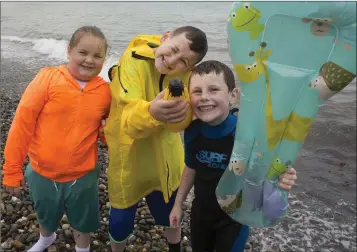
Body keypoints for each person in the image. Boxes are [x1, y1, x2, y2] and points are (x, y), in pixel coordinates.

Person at [2, 26, 111, 252]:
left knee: (83, 218)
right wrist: (12, 169)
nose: (90, 60)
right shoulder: (48, 78)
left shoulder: (106, 92)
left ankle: (83, 248)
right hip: (42, 170)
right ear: (69, 51)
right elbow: (22, 124)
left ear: (104, 59)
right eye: (83, 52)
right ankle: (46, 238)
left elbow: (108, 137)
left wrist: (107, 133)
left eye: (97, 56)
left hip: (82, 174)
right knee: (45, 210)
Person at [169, 60, 298, 252]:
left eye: (214, 90)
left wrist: (284, 178)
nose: (204, 97)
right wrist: (178, 204)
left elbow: (268, 171)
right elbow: (191, 167)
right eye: (197, 91)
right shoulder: (192, 132)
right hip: (201, 213)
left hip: (235, 218)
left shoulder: (246, 136)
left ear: (233, 95)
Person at [104, 26, 208, 252]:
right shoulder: (132, 59)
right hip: (128, 159)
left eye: (183, 62)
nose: (172, 61)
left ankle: (175, 248)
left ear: (191, 68)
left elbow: (182, 122)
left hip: (166, 163)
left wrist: (175, 117)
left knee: (171, 216)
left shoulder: (189, 78)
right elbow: (126, 116)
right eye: (173, 49)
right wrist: (151, 112)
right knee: (120, 222)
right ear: (166, 37)